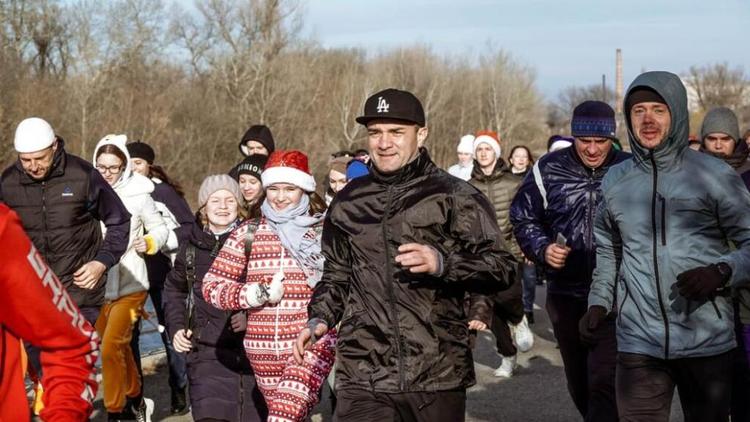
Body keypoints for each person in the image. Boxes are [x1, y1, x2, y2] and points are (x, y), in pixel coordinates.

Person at [295, 88, 516, 421]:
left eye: (396, 132)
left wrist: (443, 262)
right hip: (363, 369)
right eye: (375, 132)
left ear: (421, 133)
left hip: (435, 369)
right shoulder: (348, 201)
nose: (384, 142)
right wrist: (320, 317)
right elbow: (337, 274)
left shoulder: (455, 195)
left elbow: (502, 267)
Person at [584, 71, 750, 422]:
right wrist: (599, 301)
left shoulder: (714, 176)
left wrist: (722, 271)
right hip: (638, 343)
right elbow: (609, 248)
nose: (647, 119)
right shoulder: (616, 180)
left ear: (676, 112)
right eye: (638, 110)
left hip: (706, 338)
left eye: (658, 109)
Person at [0, 117, 130, 411]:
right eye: (25, 160)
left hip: (80, 289)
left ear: (54, 147)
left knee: (69, 369)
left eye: (39, 159)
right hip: (32, 296)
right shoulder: (8, 182)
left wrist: (102, 262)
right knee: (47, 374)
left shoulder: (83, 175)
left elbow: (119, 220)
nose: (32, 166)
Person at [511, 100, 629, 421]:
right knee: (580, 382)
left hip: (617, 297)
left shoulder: (629, 169)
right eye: (584, 140)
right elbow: (523, 217)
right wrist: (542, 247)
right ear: (573, 135)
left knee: (605, 381)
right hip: (566, 294)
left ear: (613, 138)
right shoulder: (548, 168)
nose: (592, 149)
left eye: (600, 141)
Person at [203, 150, 335, 422]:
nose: (280, 196)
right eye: (274, 188)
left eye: (289, 189)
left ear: (304, 190)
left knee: (282, 418)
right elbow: (211, 286)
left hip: (310, 344)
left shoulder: (323, 232)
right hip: (261, 349)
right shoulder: (247, 233)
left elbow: (343, 283)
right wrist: (254, 294)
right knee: (287, 416)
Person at [165, 174, 267, 422]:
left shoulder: (257, 241)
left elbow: (272, 288)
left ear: (239, 206)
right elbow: (174, 291)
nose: (222, 207)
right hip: (206, 353)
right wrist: (177, 327)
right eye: (215, 200)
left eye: (229, 200)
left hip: (254, 354)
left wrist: (250, 317)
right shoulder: (190, 249)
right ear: (203, 208)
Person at [93, 134, 169, 421]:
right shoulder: (88, 194)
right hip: (98, 285)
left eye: (114, 167)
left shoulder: (139, 195)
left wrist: (148, 242)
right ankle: (137, 398)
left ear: (124, 166)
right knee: (115, 349)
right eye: (102, 167)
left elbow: (160, 229)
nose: (108, 173)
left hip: (132, 284)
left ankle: (116, 412)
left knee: (113, 345)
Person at [0, 204, 100, 422]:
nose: (33, 167)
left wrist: (64, 414)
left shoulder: (3, 229)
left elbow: (72, 344)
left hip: (78, 287)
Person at [127, 140, 194, 415]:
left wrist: (160, 241)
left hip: (163, 273)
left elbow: (190, 227)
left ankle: (179, 389)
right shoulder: (115, 193)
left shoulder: (161, 191)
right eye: (128, 163)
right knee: (129, 338)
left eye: (138, 163)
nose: (133, 168)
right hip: (130, 275)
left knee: (171, 334)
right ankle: (136, 400)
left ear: (149, 165)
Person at [469, 131, 533, 378]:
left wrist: (527, 247)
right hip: (482, 256)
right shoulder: (469, 186)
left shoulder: (513, 183)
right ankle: (508, 356)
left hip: (509, 253)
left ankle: (518, 319)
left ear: (496, 152)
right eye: (480, 149)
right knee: (490, 308)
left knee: (509, 297)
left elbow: (523, 219)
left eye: (488, 149)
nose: (483, 153)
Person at [699, 106, 750, 421]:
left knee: (744, 377)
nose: (718, 145)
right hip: (706, 292)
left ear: (737, 141)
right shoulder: (691, 174)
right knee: (713, 386)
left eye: (725, 138)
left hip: (745, 294)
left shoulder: (747, 176)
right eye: (712, 138)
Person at [234, 153, 268, 218]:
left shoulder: (268, 213)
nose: (246, 187)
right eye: (242, 181)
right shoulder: (233, 208)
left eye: (253, 182)